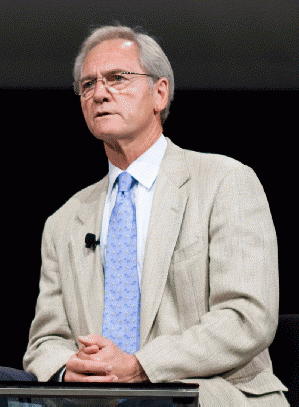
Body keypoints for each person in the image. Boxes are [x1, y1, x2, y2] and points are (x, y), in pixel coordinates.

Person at [0, 24, 289, 405]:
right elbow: (45, 340)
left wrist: (139, 366)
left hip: (204, 393)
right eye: (87, 85)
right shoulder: (64, 221)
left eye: (117, 78)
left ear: (159, 92)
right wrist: (69, 368)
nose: (99, 93)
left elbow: (247, 316)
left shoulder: (225, 182)